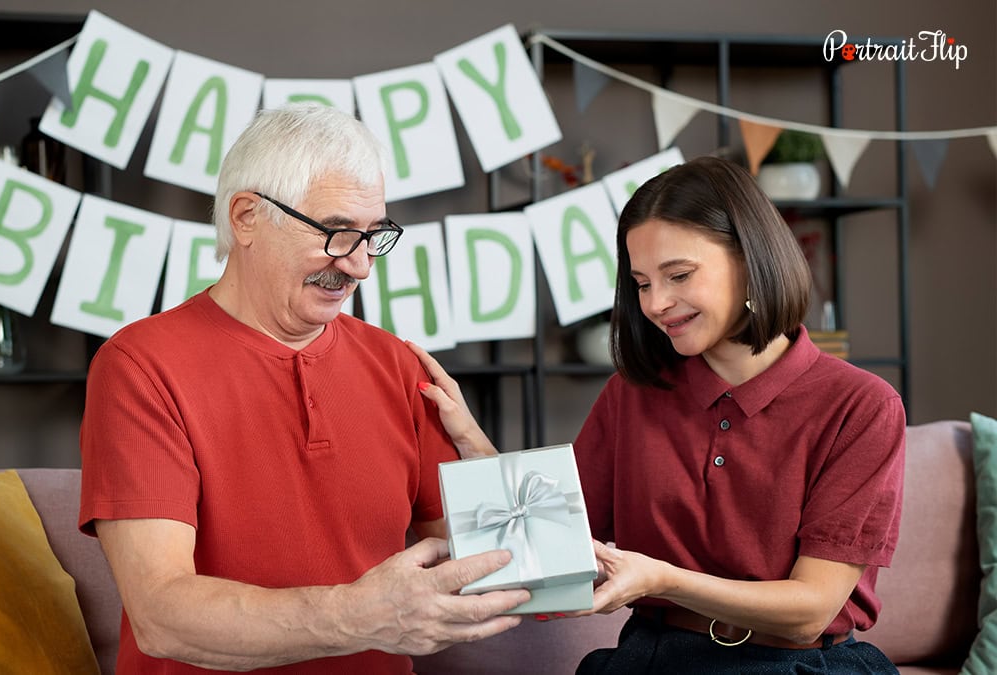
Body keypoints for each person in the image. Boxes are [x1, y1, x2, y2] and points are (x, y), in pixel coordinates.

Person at [77, 103, 530, 675]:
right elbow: (161, 614)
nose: (361, 266)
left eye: (373, 236)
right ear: (246, 218)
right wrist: (354, 616)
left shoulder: (397, 363)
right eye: (339, 233)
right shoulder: (139, 365)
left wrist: (481, 454)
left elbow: (497, 568)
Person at [411, 155, 905, 673]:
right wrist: (472, 441)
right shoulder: (631, 394)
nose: (656, 303)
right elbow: (551, 540)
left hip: (799, 665)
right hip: (653, 657)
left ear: (750, 259)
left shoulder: (862, 406)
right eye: (643, 283)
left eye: (679, 275)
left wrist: (662, 579)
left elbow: (811, 610)